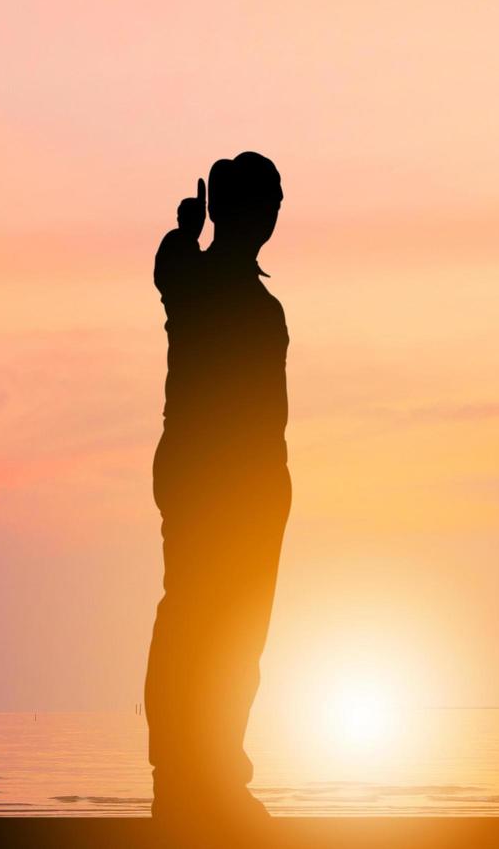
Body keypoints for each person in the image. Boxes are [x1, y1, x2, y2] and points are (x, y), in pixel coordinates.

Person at [144, 153, 290, 833]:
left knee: (226, 631)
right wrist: (189, 233)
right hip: (215, 481)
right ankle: (187, 778)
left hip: (247, 483)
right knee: (205, 625)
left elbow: (168, 270)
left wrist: (188, 233)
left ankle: (207, 773)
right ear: (254, 213)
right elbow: (169, 271)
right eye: (271, 200)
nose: (278, 211)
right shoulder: (211, 288)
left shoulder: (212, 285)